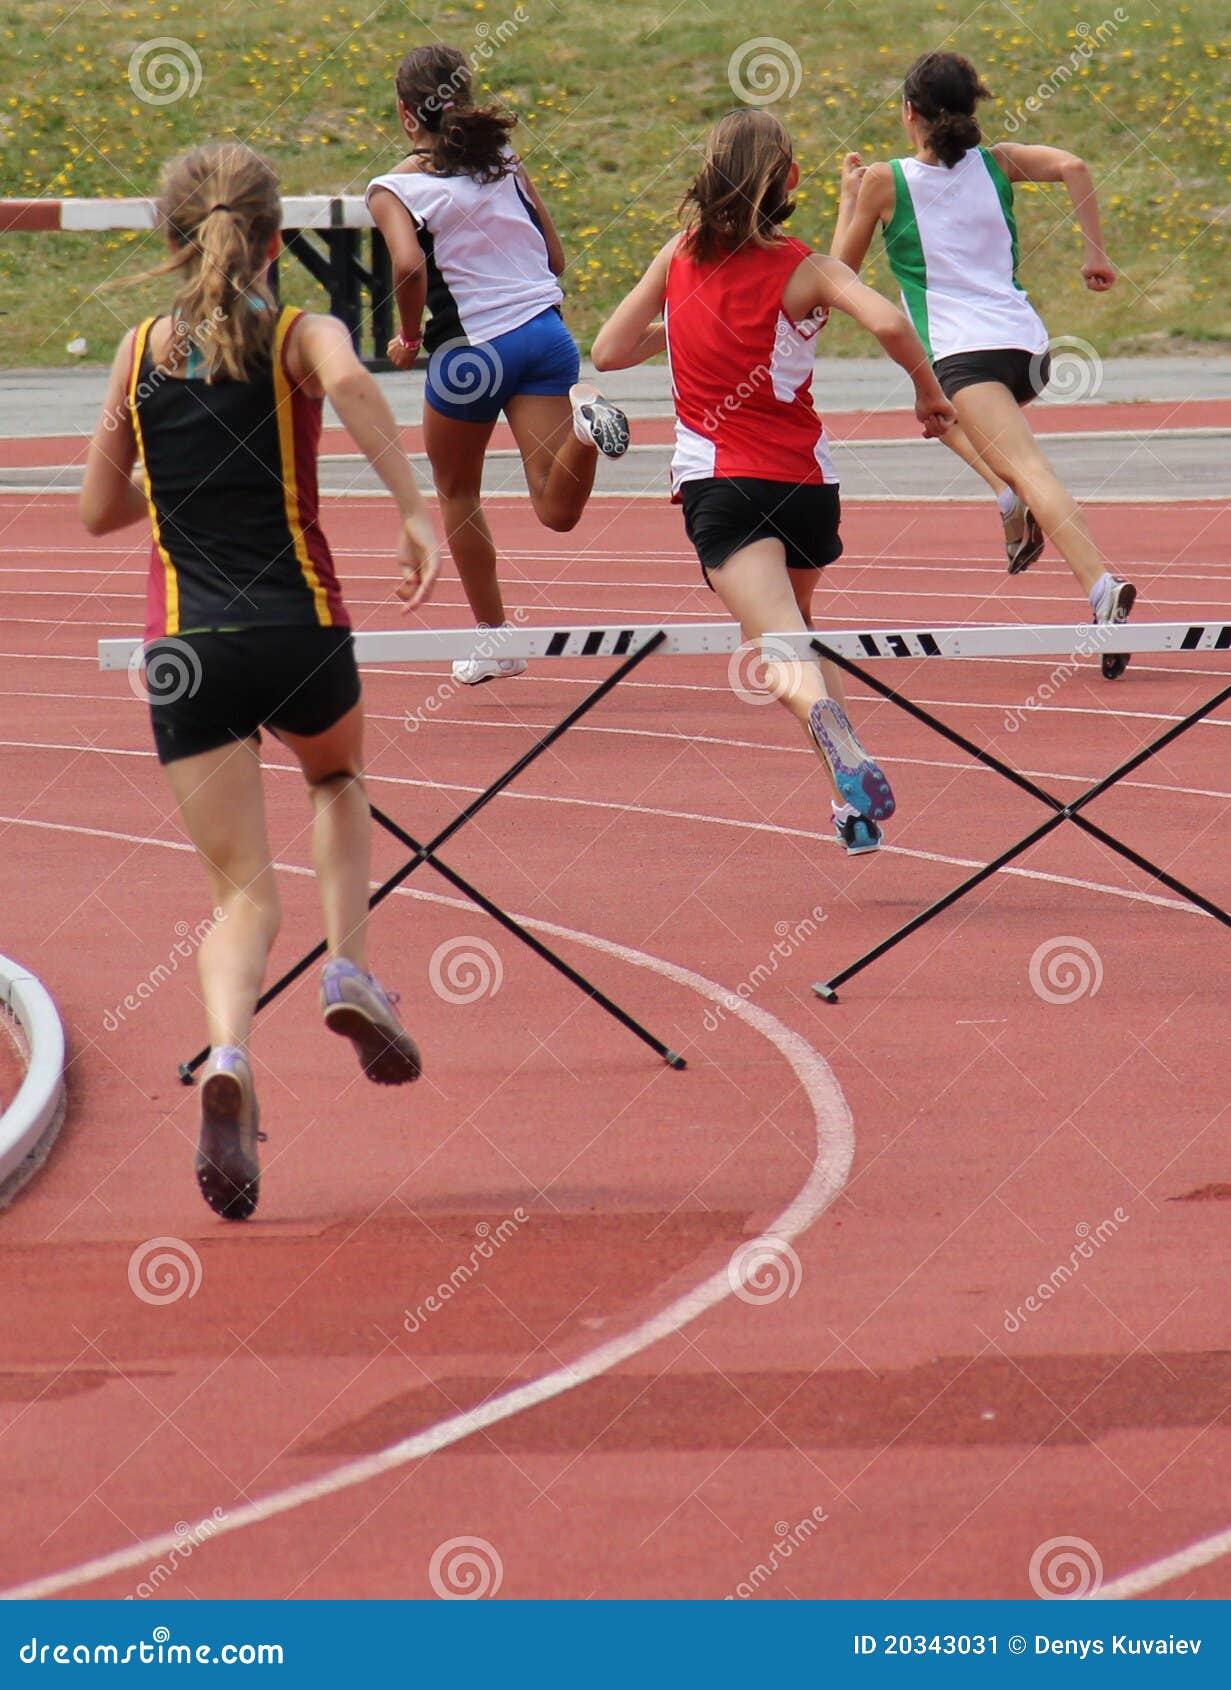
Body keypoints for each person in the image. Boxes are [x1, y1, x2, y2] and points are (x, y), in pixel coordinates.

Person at [79, 141, 440, 1221]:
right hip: (299, 626)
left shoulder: (138, 351)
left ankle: (230, 1050)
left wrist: (176, 482)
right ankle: (349, 968)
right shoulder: (299, 331)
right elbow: (350, 379)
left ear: (170, 242)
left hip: (187, 649)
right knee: (336, 781)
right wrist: (413, 509)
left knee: (239, 892)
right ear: (279, 243)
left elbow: (98, 510)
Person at [592, 109, 956, 855]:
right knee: (799, 637)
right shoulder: (808, 268)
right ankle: (846, 808)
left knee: (784, 651)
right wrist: (925, 390)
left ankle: (831, 732)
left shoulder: (677, 255)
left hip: (723, 486)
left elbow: (608, 351)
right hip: (805, 487)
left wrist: (680, 318)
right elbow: (889, 322)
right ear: (789, 180)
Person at [832, 49, 1137, 679]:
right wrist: (1094, 256)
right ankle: (1005, 495)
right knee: (937, 412)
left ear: (910, 112)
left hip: (965, 353)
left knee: (1028, 465)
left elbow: (838, 275)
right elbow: (1076, 166)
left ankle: (1101, 587)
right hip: (1028, 350)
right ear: (972, 109)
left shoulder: (885, 182)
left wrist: (846, 196)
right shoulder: (999, 163)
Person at [367, 43, 629, 687]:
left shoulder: (393, 188)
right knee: (556, 510)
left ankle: (495, 639)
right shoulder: (505, 162)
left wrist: (406, 335)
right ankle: (586, 432)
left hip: (469, 355)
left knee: (459, 491)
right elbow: (557, 259)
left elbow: (406, 265)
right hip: (546, 335)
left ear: (406, 114)